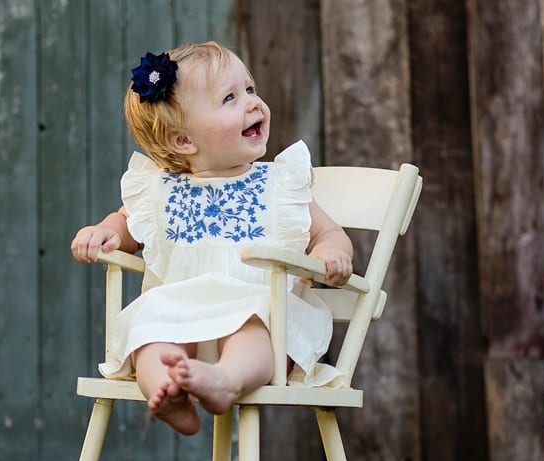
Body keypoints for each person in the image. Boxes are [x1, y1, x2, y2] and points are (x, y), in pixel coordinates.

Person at [70, 41, 353, 436]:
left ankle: (226, 380)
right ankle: (168, 392)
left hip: (259, 311)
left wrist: (330, 254)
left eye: (250, 89)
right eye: (230, 98)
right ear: (183, 141)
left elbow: (327, 232)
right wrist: (104, 233)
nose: (253, 103)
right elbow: (125, 224)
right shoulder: (160, 192)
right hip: (182, 312)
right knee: (149, 329)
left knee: (252, 331)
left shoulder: (278, 185)